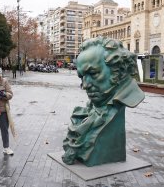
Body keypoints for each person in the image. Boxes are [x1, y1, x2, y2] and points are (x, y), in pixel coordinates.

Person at [62, 37, 145, 166]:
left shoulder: (124, 97)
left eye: (93, 73)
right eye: (82, 77)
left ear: (119, 69)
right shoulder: (93, 106)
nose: (85, 85)